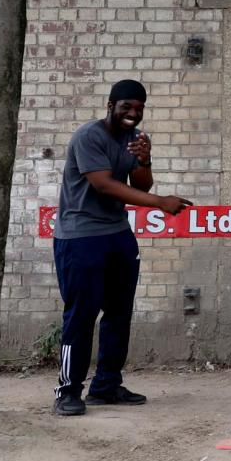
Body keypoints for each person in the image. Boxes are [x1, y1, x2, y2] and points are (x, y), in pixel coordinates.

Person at [51, 79, 192, 416]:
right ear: (110, 105)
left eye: (139, 108)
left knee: (118, 313)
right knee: (81, 315)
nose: (133, 113)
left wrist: (144, 161)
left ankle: (106, 385)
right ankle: (67, 391)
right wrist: (159, 202)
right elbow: (103, 185)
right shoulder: (90, 136)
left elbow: (139, 182)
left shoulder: (135, 139)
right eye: (127, 106)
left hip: (117, 233)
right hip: (80, 236)